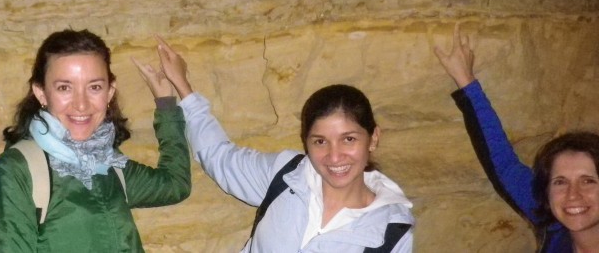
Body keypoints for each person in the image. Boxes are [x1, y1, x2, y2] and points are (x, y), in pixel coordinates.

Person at [142, 36, 415, 252]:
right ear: (306, 142)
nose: (334, 156)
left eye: (349, 139)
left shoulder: (392, 230)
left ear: (373, 138)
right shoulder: (287, 176)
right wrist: (183, 87)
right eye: (320, 141)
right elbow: (219, 157)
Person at [434, 24, 599, 252]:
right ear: (546, 195)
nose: (572, 195)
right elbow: (503, 164)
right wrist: (466, 81)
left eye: (588, 180)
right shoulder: (555, 227)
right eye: (560, 182)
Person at [0, 29, 191, 252]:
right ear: (41, 93)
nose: (81, 104)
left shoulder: (107, 165)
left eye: (94, 87)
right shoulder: (17, 171)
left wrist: (166, 105)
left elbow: (174, 185)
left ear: (109, 92)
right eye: (64, 88)